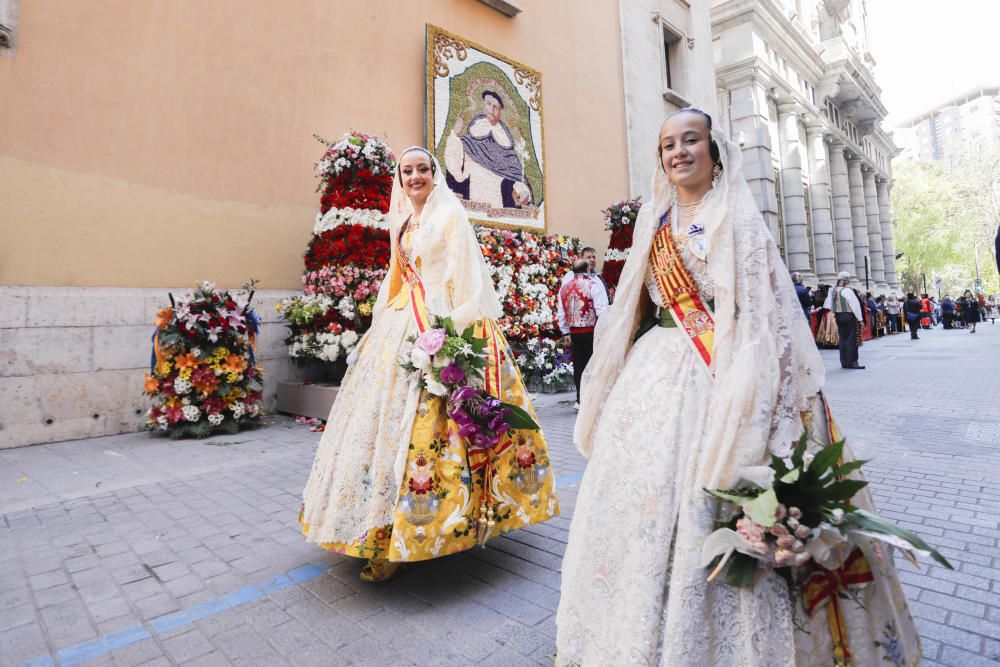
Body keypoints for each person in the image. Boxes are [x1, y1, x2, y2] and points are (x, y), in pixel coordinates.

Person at [555, 109, 918, 666]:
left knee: (712, 498)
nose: (678, 152)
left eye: (690, 140)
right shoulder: (655, 221)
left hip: (727, 370)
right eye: (667, 144)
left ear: (714, 149)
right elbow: (636, 305)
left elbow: (762, 312)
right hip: (656, 378)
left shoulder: (737, 216)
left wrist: (761, 400)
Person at [300, 147, 558, 581]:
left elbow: (467, 277)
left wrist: (452, 336)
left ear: (435, 174)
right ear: (399, 178)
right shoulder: (400, 221)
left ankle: (452, 522)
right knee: (379, 428)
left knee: (446, 424)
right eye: (407, 171)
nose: (415, 176)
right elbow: (395, 277)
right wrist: (382, 327)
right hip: (402, 322)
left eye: (422, 169)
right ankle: (378, 531)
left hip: (442, 320)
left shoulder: (450, 217)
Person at [444, 91, 533, 209]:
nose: (491, 109)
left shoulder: (505, 140)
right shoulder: (473, 135)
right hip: (473, 195)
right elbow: (456, 167)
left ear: (501, 110)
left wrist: (523, 191)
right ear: (484, 104)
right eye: (488, 104)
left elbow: (515, 174)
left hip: (498, 202)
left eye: (495, 106)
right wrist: (455, 133)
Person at [557, 259, 609, 407]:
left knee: (579, 366)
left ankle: (581, 399)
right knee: (594, 365)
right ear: (587, 269)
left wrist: (565, 332)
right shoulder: (592, 285)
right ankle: (594, 399)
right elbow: (602, 311)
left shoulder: (565, 288)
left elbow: (561, 313)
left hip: (574, 333)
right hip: (591, 331)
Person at [824, 272, 865, 369]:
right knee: (852, 339)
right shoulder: (847, 291)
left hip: (838, 316)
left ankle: (844, 362)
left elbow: (827, 305)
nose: (849, 280)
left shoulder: (833, 290)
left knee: (843, 339)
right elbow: (855, 306)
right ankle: (852, 362)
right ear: (845, 279)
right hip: (849, 316)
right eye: (848, 279)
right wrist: (860, 319)